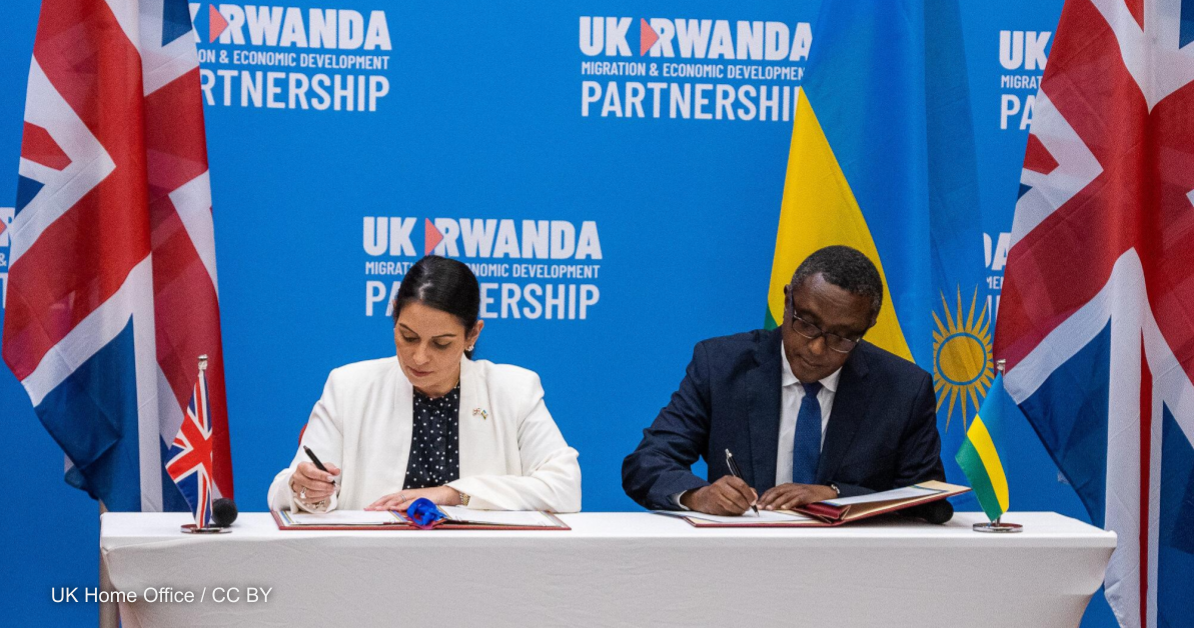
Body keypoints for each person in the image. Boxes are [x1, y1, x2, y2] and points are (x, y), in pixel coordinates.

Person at [622, 245, 948, 518]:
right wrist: (698, 496)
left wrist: (835, 495)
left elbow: (929, 501)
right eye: (806, 323)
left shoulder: (903, 389)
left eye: (842, 337)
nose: (817, 348)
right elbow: (647, 463)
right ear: (787, 301)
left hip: (853, 567)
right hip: (742, 562)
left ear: (867, 327)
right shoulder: (720, 365)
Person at [268, 256, 581, 514]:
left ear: (473, 335)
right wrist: (305, 489)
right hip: (368, 566)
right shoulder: (349, 387)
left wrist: (453, 494)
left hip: (485, 569)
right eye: (408, 337)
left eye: (441, 344)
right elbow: (290, 490)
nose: (419, 357)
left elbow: (565, 487)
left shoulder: (514, 390)